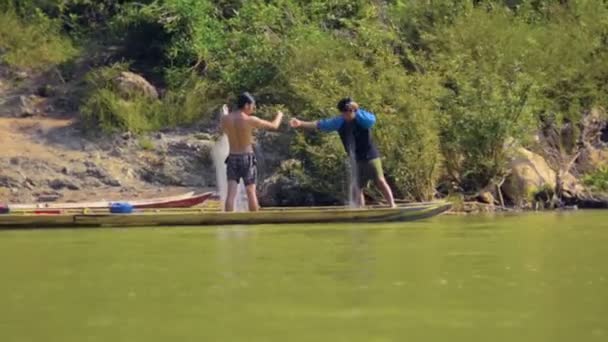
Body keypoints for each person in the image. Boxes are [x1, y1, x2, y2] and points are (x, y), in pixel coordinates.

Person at [290, 97, 396, 208]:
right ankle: (361, 210)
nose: (349, 113)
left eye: (351, 110)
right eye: (347, 111)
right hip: (357, 160)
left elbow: (372, 120)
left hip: (371, 156)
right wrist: (300, 123)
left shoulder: (362, 119)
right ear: (342, 112)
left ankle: (392, 205)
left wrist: (357, 109)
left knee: (380, 180)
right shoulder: (339, 122)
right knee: (356, 186)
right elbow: (320, 124)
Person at [221, 92, 284, 212]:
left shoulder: (225, 119)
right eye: (252, 105)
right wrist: (279, 115)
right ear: (246, 105)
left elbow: (225, 131)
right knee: (251, 192)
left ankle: (227, 221)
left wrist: (226, 114)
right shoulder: (250, 120)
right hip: (247, 158)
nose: (253, 108)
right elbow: (274, 126)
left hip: (232, 158)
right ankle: (254, 221)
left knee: (231, 194)